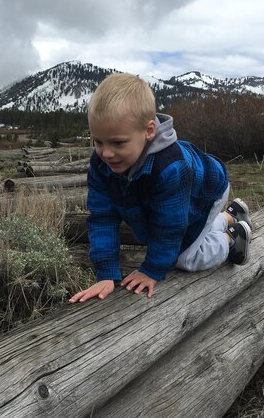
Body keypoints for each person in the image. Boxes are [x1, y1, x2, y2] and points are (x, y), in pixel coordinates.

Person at [69, 73, 252, 303]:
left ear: (149, 131)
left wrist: (152, 270)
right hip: (185, 197)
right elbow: (102, 217)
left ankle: (233, 237)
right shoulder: (101, 164)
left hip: (207, 191)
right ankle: (230, 216)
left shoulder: (170, 168)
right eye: (98, 142)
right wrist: (106, 273)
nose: (106, 153)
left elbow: (170, 228)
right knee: (186, 231)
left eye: (117, 143)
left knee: (185, 258)